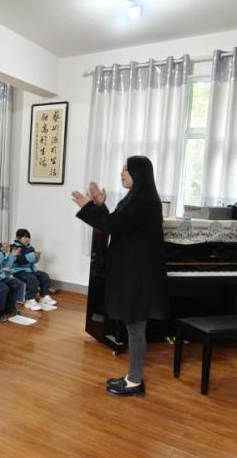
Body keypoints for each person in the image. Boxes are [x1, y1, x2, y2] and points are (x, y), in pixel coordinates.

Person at [72, 156, 168, 398]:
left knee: (135, 328)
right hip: (132, 272)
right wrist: (100, 205)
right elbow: (116, 223)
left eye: (126, 169)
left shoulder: (144, 200)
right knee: (133, 326)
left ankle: (135, 381)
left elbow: (113, 226)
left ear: (139, 173)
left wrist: (88, 207)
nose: (122, 173)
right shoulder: (135, 197)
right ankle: (132, 377)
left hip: (137, 275)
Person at [11, 228, 56, 311]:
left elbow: (32, 261)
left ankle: (44, 296)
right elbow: (20, 260)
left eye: (28, 237)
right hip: (19, 271)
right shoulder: (15, 247)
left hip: (31, 270)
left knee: (44, 276)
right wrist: (33, 256)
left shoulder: (30, 247)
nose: (27, 239)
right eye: (25, 237)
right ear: (18, 238)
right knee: (33, 279)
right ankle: (29, 299)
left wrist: (37, 257)